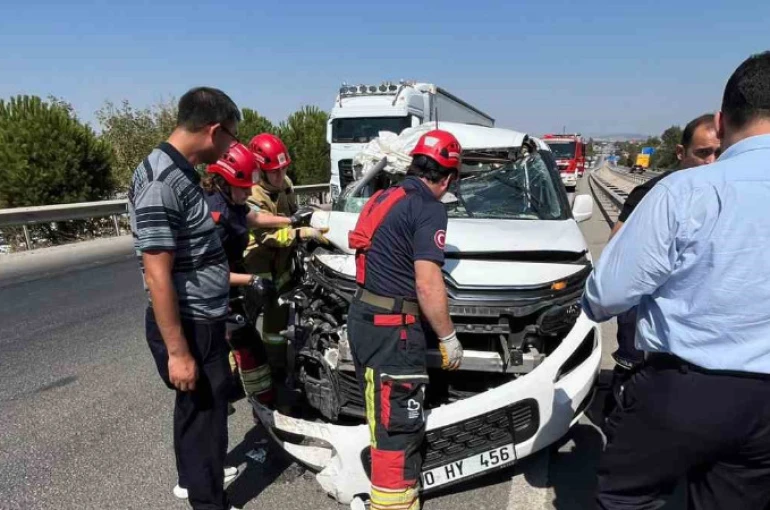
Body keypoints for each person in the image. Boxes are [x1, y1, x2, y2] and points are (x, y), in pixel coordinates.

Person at [583, 51, 770, 509]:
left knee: (629, 495)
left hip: (690, 390)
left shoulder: (687, 191)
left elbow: (606, 294)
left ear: (722, 122)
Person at [128, 87, 242, 510]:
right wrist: (178, 351)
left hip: (200, 318)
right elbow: (158, 273)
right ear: (214, 130)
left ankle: (191, 479)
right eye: (230, 136)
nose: (231, 147)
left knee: (195, 412)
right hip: (190, 324)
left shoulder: (179, 172)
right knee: (207, 419)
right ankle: (208, 501)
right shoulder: (162, 182)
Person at [347, 129, 465, 510]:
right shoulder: (430, 207)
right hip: (393, 330)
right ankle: (394, 504)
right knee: (398, 423)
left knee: (381, 415)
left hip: (364, 318)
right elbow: (428, 283)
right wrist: (447, 337)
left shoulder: (384, 196)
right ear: (447, 177)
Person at [605, 114, 720, 411]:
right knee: (634, 374)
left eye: (718, 153)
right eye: (703, 153)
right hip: (648, 310)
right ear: (681, 154)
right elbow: (617, 252)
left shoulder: (729, 193)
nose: (711, 162)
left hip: (700, 321)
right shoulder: (655, 193)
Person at [243, 133, 327, 372]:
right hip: (256, 264)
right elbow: (266, 234)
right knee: (245, 322)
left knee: (276, 321)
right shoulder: (251, 194)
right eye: (275, 171)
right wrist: (300, 234)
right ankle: (237, 369)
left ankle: (277, 367)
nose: (281, 176)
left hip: (281, 264)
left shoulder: (286, 184)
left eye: (283, 169)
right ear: (260, 168)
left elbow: (293, 214)